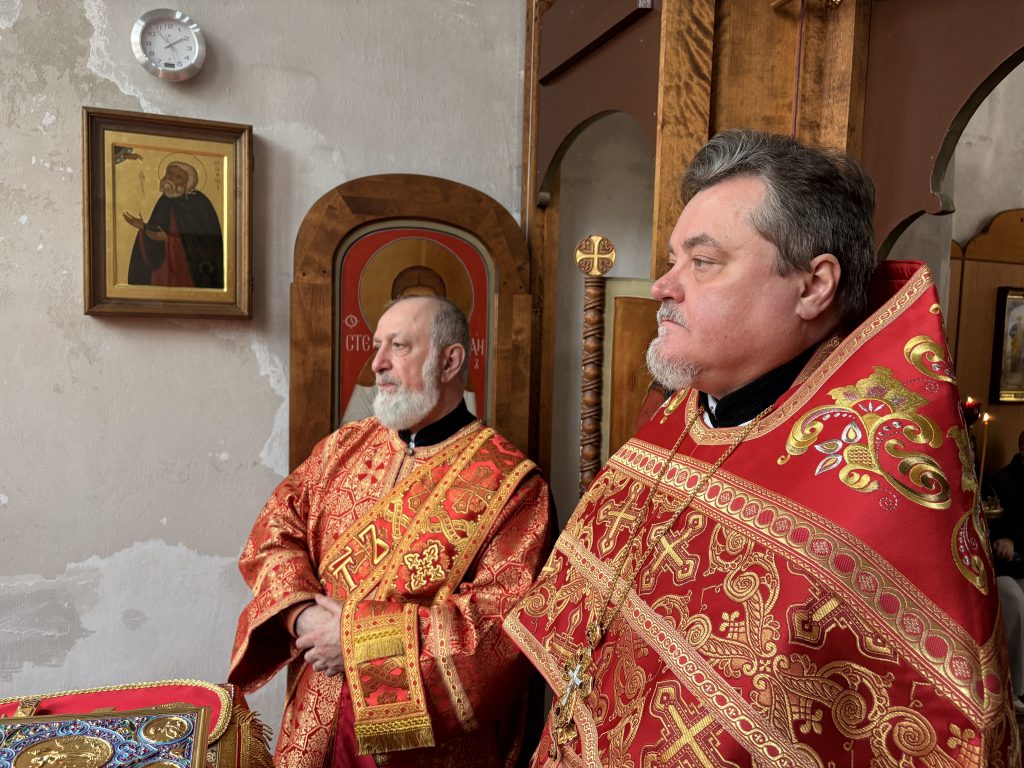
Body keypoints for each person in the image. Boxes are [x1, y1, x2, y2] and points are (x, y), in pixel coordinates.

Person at [504, 130, 1018, 766]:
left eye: (702, 261)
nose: (663, 286)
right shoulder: (679, 421)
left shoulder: (876, 498)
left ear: (813, 286)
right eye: (672, 260)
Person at [229, 295, 552, 768]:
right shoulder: (344, 446)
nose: (377, 363)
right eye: (377, 345)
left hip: (423, 752)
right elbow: (276, 530)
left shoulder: (512, 485)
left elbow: (497, 631)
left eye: (398, 346)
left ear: (450, 361)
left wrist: (358, 644)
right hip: (313, 722)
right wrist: (301, 617)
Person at [123, 160, 224, 288]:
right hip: (163, 268)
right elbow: (157, 229)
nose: (171, 178)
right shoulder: (165, 200)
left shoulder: (200, 203)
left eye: (178, 177)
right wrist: (144, 227)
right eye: (169, 173)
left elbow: (205, 243)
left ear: (187, 183)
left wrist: (169, 239)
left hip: (187, 268)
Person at [989, 430, 1024, 713]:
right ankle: (1014, 689)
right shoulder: (1000, 481)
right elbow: (995, 526)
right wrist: (1009, 540)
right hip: (1005, 568)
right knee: (1014, 601)